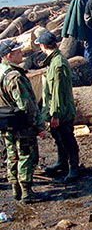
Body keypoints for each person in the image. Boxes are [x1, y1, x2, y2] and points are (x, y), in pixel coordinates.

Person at [0, 39, 46, 203]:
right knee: (25, 155)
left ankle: (15, 189)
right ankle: (26, 191)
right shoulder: (15, 77)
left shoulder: (1, 71)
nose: (22, 53)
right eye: (18, 52)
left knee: (11, 155)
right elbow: (27, 106)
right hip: (21, 123)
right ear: (8, 56)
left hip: (5, 122)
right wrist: (39, 126)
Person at [36, 30, 80, 182]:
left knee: (67, 138)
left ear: (43, 46)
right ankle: (62, 162)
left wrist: (56, 114)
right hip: (57, 108)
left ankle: (74, 167)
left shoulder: (58, 64)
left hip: (62, 110)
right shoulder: (54, 60)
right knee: (58, 137)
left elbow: (57, 92)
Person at [62, 0, 92, 75]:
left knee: (90, 49)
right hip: (88, 28)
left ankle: (90, 70)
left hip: (87, 28)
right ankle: (90, 71)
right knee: (91, 50)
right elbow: (87, 13)